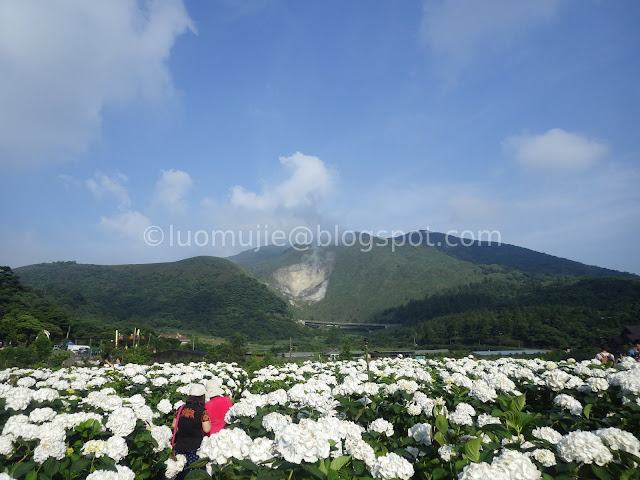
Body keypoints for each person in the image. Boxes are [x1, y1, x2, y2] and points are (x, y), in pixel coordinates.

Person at [172, 384, 211, 480]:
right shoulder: (203, 411)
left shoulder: (180, 408)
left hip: (180, 446)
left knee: (179, 472)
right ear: (202, 397)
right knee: (194, 475)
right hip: (195, 447)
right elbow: (207, 429)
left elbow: (174, 426)